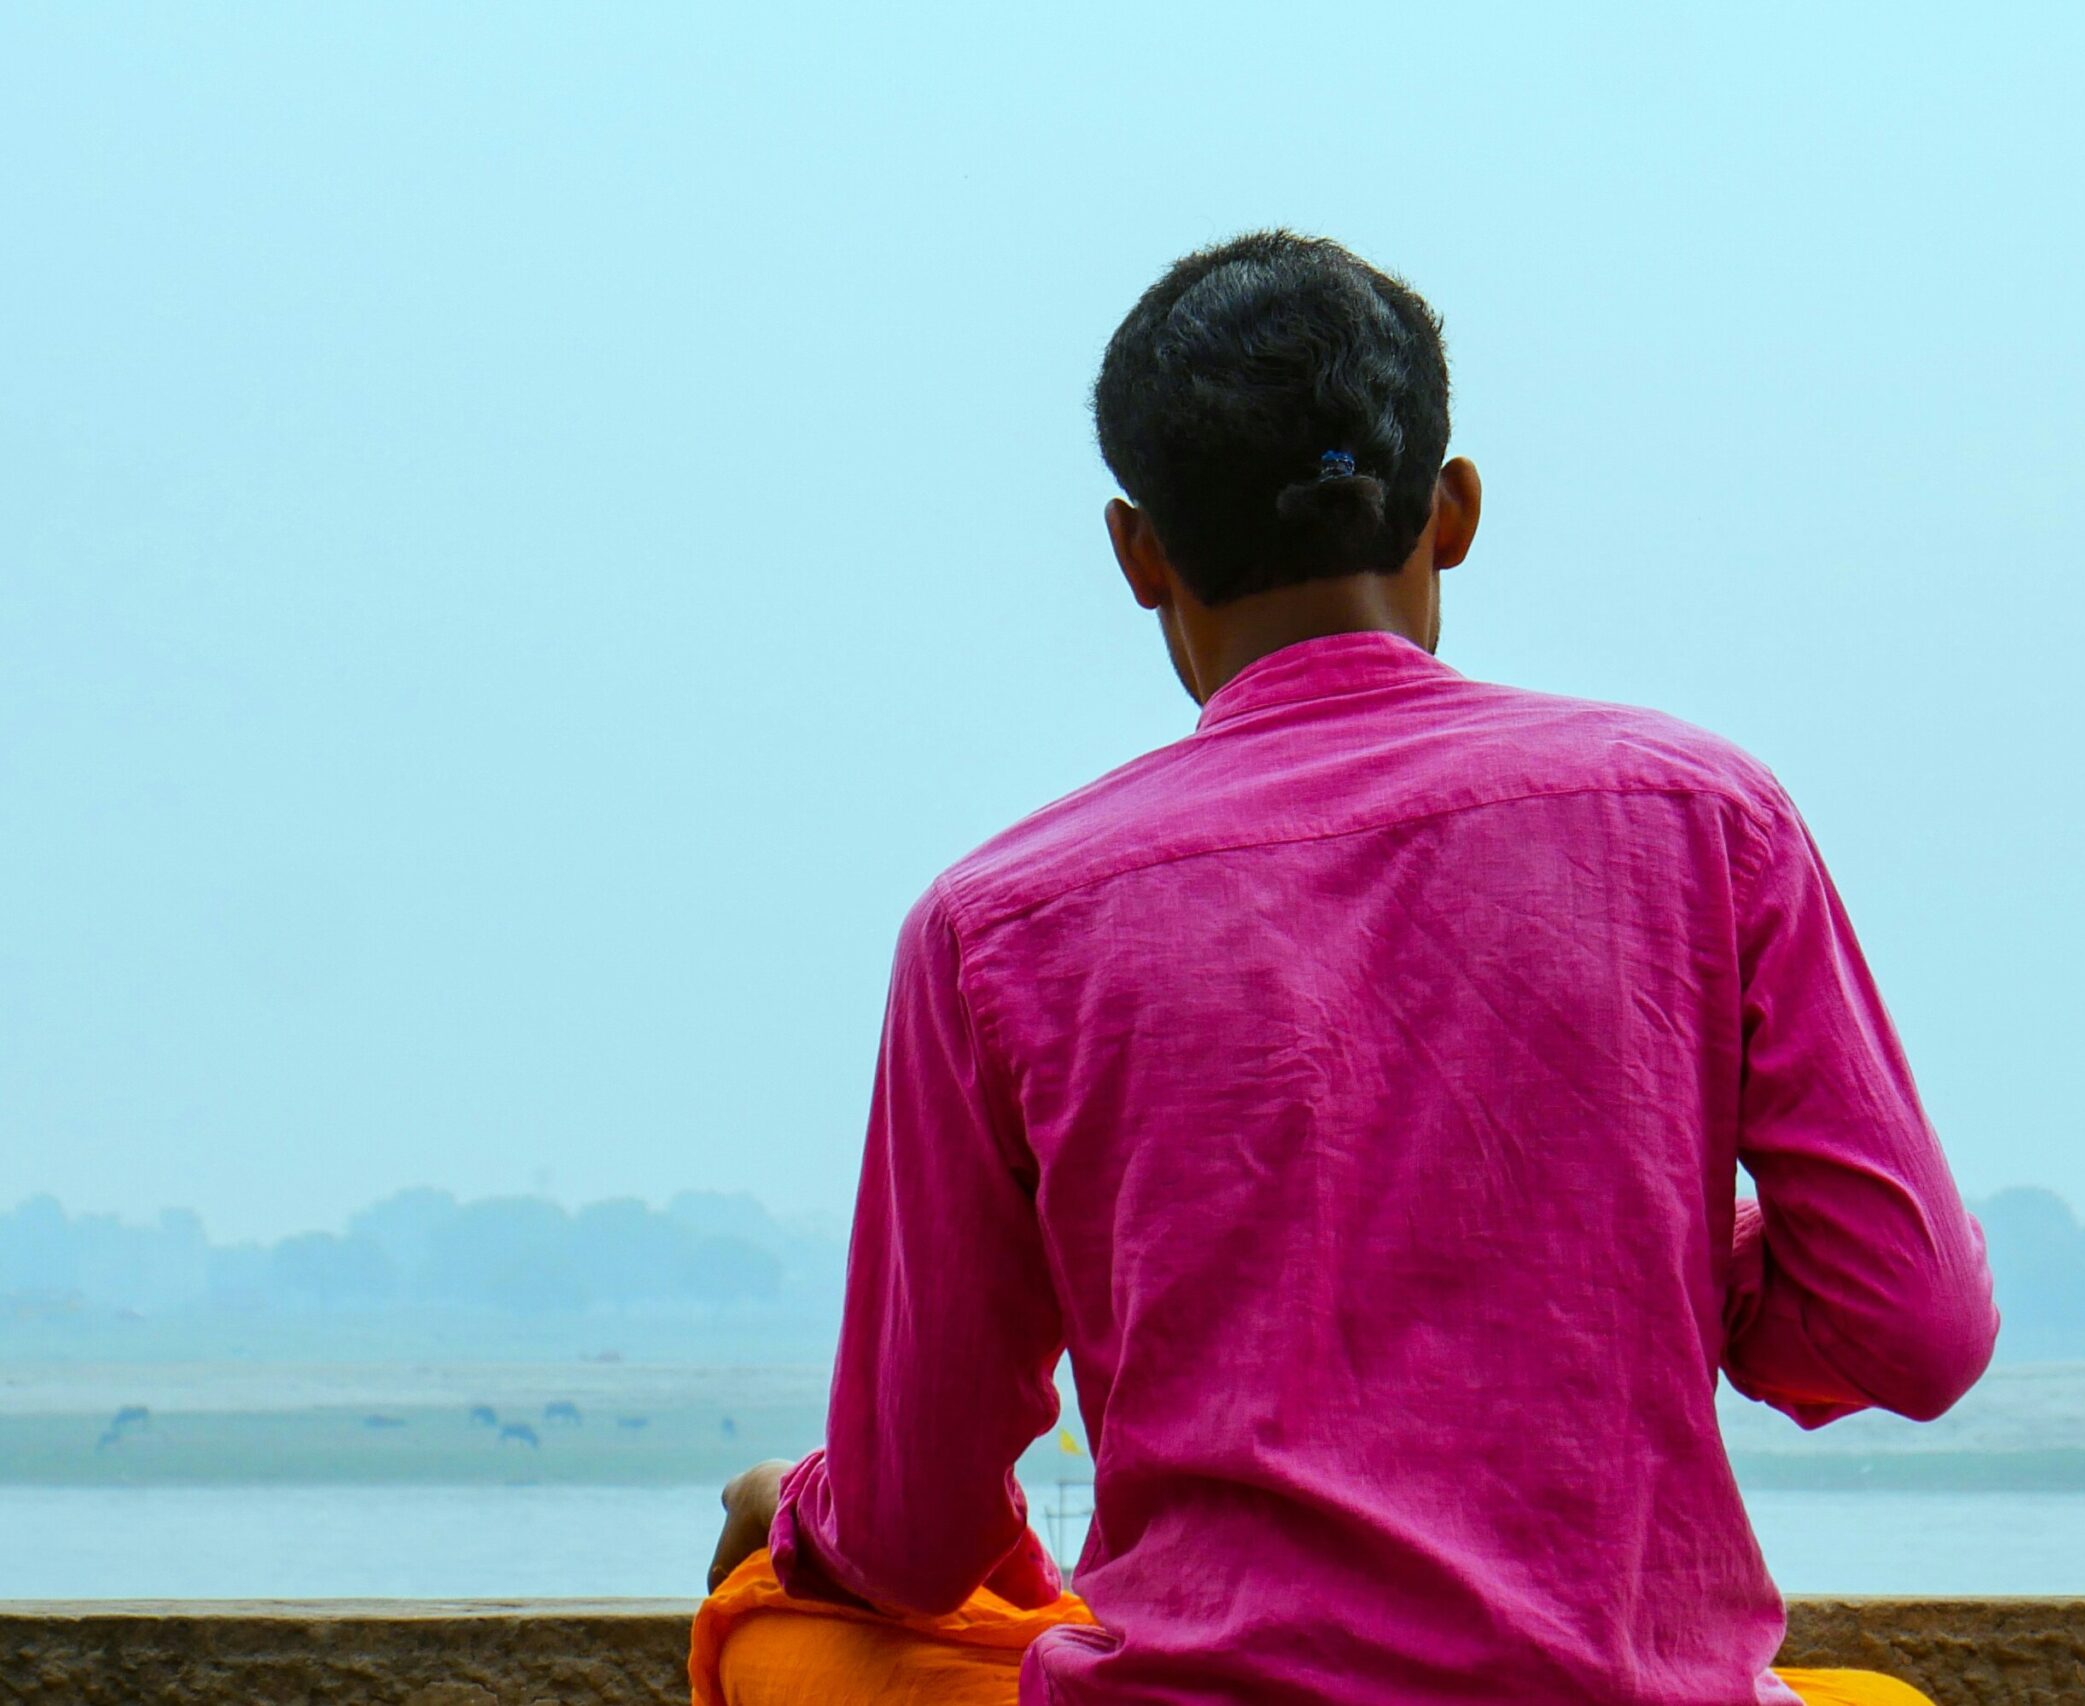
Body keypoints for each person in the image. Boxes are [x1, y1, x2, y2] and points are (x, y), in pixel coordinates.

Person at [697, 231, 1999, 1706]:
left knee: (784, 1636)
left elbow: (916, 1531)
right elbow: (1917, 1324)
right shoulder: (1702, 814)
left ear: (1138, 552)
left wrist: (786, 1509)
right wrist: (1659, 1254)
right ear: (1452, 509)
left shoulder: (997, 924)